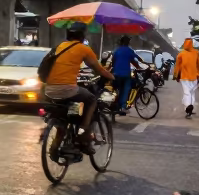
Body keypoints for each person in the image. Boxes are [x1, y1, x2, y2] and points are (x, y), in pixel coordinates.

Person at [41, 22, 114, 152]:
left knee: (70, 112)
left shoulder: (59, 46)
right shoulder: (83, 48)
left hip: (49, 89)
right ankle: (84, 134)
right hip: (67, 89)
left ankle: (56, 145)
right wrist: (112, 77)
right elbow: (99, 70)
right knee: (91, 99)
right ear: (82, 35)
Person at [109, 35, 151, 116]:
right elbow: (136, 59)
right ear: (127, 42)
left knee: (118, 89)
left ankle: (117, 105)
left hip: (116, 74)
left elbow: (113, 61)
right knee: (126, 89)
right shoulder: (129, 50)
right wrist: (140, 65)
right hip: (125, 74)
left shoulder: (117, 50)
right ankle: (123, 106)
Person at [174, 38, 199, 118]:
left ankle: (188, 108)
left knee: (187, 93)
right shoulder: (196, 53)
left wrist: (176, 75)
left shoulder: (181, 54)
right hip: (194, 77)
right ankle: (190, 107)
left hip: (184, 77)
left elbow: (177, 66)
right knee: (192, 93)